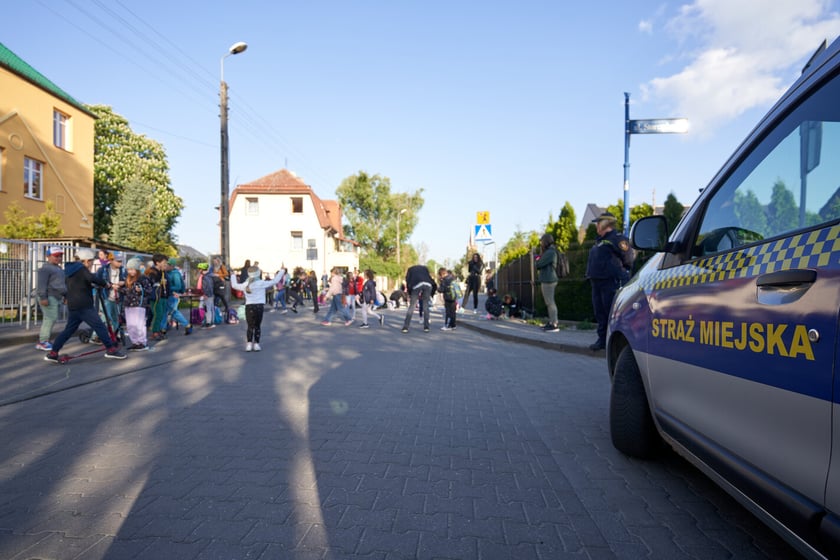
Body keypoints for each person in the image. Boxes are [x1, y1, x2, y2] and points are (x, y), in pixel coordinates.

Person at [44, 248, 127, 362]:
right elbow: (92, 278)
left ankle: (53, 353)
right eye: (91, 261)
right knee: (100, 326)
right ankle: (111, 349)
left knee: (68, 330)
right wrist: (107, 284)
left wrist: (71, 294)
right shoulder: (81, 268)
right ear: (86, 261)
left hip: (73, 305)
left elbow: (76, 284)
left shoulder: (69, 270)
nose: (91, 264)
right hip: (84, 305)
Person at [586, 212, 634, 351]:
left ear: (605, 223)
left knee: (611, 313)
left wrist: (620, 275)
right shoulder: (599, 241)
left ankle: (615, 344)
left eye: (598, 223)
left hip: (611, 282)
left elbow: (628, 259)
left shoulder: (617, 239)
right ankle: (602, 340)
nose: (596, 226)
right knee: (600, 313)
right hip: (597, 282)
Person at [230, 266, 283, 351]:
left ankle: (249, 344)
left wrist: (233, 275)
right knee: (257, 326)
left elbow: (234, 285)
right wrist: (282, 271)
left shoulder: (245, 284)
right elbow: (275, 281)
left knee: (250, 326)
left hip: (249, 306)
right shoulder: (261, 283)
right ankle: (256, 344)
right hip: (259, 306)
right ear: (258, 274)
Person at [35, 246, 67, 351]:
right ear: (48, 256)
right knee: (50, 318)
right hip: (49, 296)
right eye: (56, 256)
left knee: (50, 318)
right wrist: (43, 297)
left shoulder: (59, 269)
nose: (59, 258)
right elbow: (41, 284)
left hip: (57, 297)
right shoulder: (45, 269)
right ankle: (43, 341)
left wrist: (65, 296)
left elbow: (62, 284)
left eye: (60, 256)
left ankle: (44, 340)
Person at [121, 258, 152, 350]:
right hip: (129, 304)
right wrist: (119, 289)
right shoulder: (127, 279)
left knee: (139, 324)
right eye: (128, 269)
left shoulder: (142, 278)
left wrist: (141, 290)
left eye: (132, 269)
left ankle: (142, 342)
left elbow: (149, 290)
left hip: (139, 304)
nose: (130, 271)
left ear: (137, 269)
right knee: (130, 325)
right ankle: (135, 342)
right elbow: (127, 291)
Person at [535, 233, 560, 332]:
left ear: (546, 241)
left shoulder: (550, 252)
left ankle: (554, 324)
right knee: (549, 302)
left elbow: (539, 264)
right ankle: (551, 322)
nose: (541, 243)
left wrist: (538, 259)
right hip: (548, 279)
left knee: (550, 302)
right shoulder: (550, 251)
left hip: (549, 280)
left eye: (542, 241)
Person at [96, 251, 126, 332]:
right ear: (111, 260)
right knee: (104, 317)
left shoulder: (123, 270)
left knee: (116, 317)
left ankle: (116, 334)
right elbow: (98, 281)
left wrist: (123, 283)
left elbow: (127, 281)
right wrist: (110, 285)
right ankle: (98, 335)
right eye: (118, 261)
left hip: (118, 297)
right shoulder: (103, 270)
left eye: (121, 261)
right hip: (106, 297)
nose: (120, 263)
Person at [401, 264, 436, 333]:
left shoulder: (410, 269)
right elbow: (431, 280)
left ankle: (405, 327)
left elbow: (408, 281)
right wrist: (431, 294)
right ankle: (426, 327)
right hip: (428, 285)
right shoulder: (425, 268)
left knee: (412, 306)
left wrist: (410, 293)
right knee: (425, 306)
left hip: (416, 284)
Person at [165, 257, 192, 335]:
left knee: (173, 312)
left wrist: (167, 288)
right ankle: (163, 328)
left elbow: (178, 286)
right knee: (166, 312)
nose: (166, 266)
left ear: (172, 266)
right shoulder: (168, 273)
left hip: (173, 295)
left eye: (167, 265)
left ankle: (187, 325)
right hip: (169, 295)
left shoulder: (175, 274)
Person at [197, 262, 216, 329]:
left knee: (208, 309)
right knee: (205, 308)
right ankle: (206, 322)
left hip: (207, 295)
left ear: (202, 269)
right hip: (205, 294)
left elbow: (209, 287)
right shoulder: (205, 276)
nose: (198, 270)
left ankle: (209, 323)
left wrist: (205, 294)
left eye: (199, 269)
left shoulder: (206, 277)